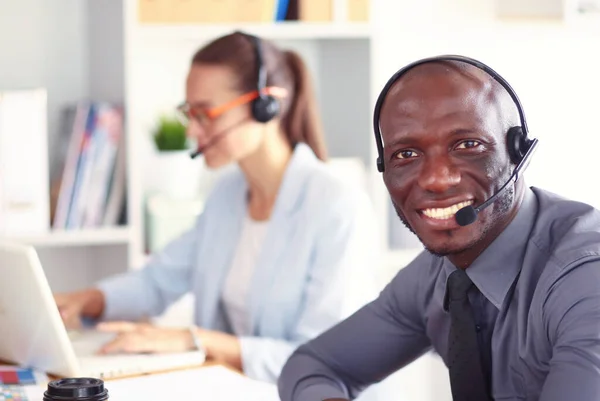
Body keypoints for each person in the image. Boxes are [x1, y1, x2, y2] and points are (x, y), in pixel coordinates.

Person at [54, 31, 379, 384]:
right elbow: (157, 280)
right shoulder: (226, 194)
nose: (192, 131)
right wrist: (86, 300)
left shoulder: (338, 207)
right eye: (189, 113)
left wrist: (194, 341)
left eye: (206, 114)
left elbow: (326, 360)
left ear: (264, 106)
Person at [278, 55, 600, 401]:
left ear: (518, 153)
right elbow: (312, 367)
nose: (435, 179)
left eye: (467, 145)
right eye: (406, 154)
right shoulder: (437, 276)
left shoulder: (584, 280)